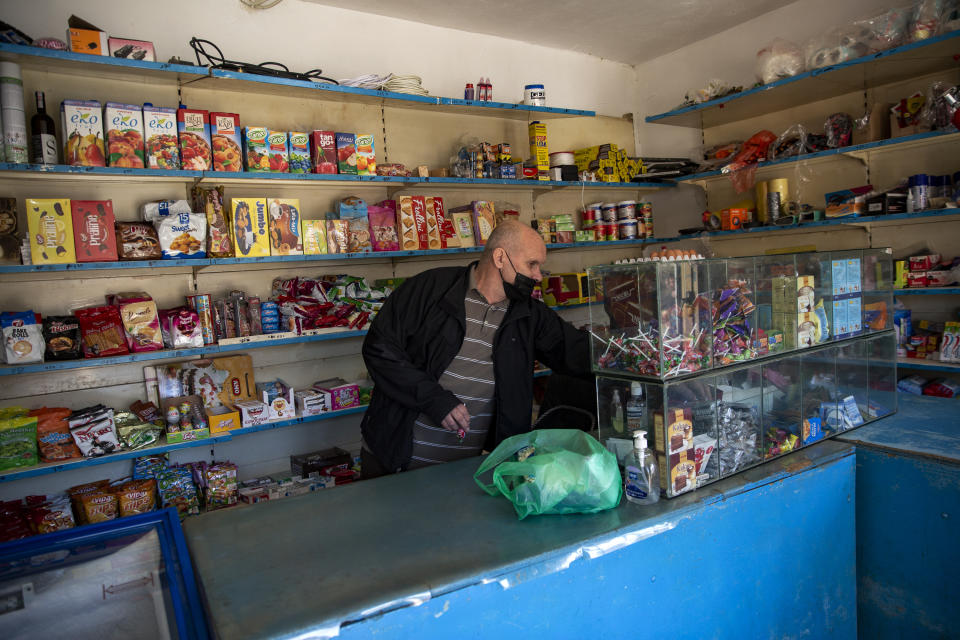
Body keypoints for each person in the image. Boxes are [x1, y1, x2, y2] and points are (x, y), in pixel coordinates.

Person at [360, 220, 591, 478]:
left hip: (464, 471)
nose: (538, 275)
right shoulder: (431, 288)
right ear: (500, 257)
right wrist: (433, 397)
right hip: (392, 463)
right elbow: (379, 349)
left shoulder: (529, 314)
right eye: (532, 264)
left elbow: (578, 353)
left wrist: (629, 357)